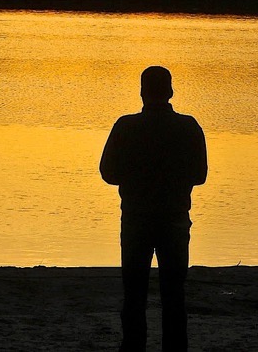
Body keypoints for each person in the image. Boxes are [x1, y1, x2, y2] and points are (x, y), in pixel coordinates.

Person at [99, 65, 208, 352]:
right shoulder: (188, 126)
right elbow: (200, 175)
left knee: (134, 293)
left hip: (136, 218)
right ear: (171, 92)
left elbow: (108, 173)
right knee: (174, 293)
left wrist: (135, 177)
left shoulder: (125, 126)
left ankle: (133, 346)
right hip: (174, 219)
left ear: (142, 92)